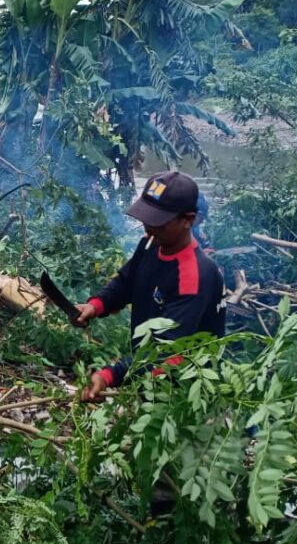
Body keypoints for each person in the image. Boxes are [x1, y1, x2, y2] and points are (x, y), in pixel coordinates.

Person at [74, 170, 226, 400]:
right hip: (149, 375)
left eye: (159, 222)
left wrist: (110, 375)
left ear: (188, 220)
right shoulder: (150, 245)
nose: (148, 228)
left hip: (183, 390)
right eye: (147, 218)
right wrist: (96, 305)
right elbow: (126, 282)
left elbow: (167, 352)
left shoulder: (194, 277)